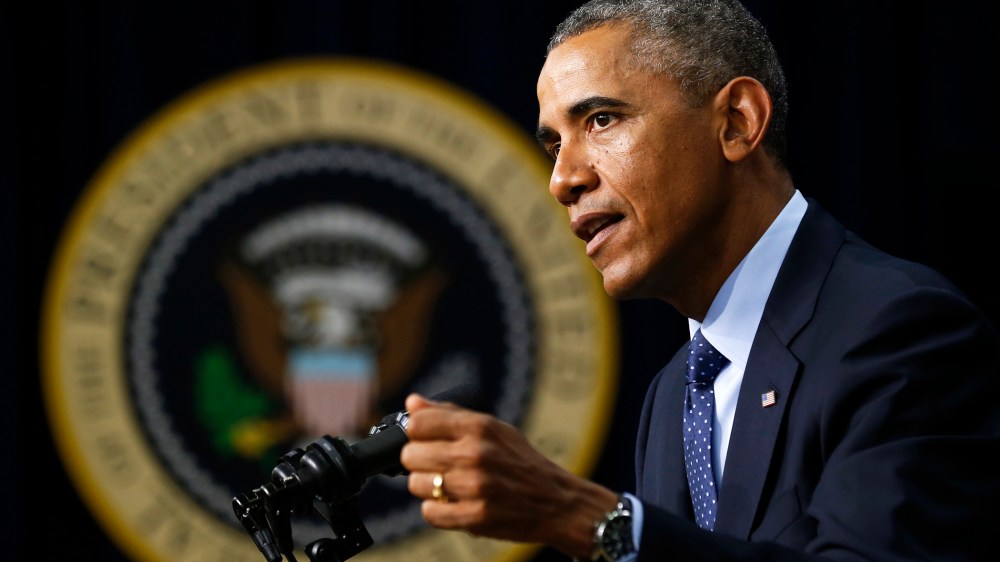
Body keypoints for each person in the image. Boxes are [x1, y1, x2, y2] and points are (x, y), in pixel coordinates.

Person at [400, 0, 1000, 560]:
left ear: (738, 123)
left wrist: (593, 521)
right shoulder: (673, 394)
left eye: (601, 120)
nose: (562, 180)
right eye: (555, 143)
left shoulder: (900, 330)